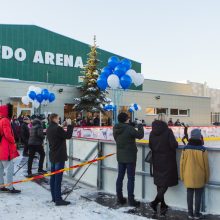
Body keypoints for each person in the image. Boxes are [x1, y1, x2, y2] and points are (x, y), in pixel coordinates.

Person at [149, 113, 178, 216]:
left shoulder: (152, 132)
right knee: (165, 183)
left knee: (160, 182)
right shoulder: (168, 131)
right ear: (165, 120)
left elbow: (150, 145)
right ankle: (155, 202)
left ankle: (163, 205)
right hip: (167, 160)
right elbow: (174, 145)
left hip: (156, 159)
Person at [113, 112, 144, 207]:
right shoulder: (129, 128)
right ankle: (131, 200)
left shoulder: (116, 128)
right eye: (128, 118)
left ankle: (120, 197)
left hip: (120, 157)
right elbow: (140, 135)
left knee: (120, 177)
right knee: (131, 178)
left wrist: (130, 125)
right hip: (130, 157)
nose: (129, 119)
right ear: (126, 119)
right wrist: (140, 126)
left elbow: (124, 130)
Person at [180, 129, 209, 219]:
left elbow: (182, 164)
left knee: (189, 193)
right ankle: (196, 213)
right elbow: (206, 166)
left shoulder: (185, 149)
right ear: (199, 137)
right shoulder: (203, 150)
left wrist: (182, 176)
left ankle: (190, 213)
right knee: (198, 194)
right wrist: (206, 178)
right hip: (199, 176)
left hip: (188, 175)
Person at [46, 113, 73, 206]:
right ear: (54, 118)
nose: (59, 120)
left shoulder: (50, 128)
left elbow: (58, 131)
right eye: (58, 118)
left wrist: (62, 126)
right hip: (59, 155)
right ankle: (58, 199)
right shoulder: (57, 128)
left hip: (53, 155)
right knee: (58, 179)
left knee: (53, 178)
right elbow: (68, 136)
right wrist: (69, 125)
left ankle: (54, 197)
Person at [0, 103, 21, 193]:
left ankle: (1, 185)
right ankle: (10, 187)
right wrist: (13, 141)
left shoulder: (0, 119)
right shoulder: (5, 120)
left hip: (1, 148)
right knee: (9, 168)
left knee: (0, 169)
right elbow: (8, 134)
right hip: (5, 148)